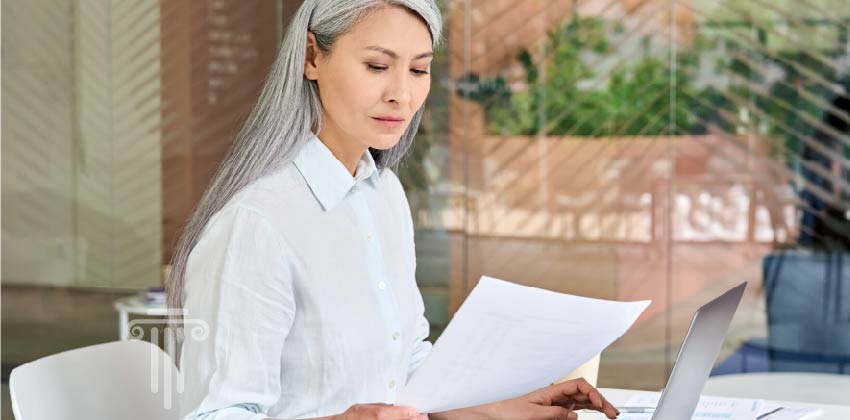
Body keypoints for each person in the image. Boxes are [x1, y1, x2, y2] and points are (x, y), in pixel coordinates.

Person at [166, 1, 620, 420]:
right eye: (377, 66)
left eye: (419, 69)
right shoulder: (256, 225)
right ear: (311, 57)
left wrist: (501, 410)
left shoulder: (382, 193)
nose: (402, 94)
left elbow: (405, 366)